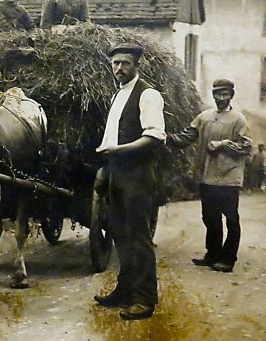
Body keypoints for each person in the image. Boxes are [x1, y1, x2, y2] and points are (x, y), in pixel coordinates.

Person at [93, 44, 165, 321]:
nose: (119, 68)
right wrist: (105, 168)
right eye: (115, 64)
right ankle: (124, 291)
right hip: (116, 173)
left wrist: (119, 152)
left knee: (138, 238)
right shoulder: (118, 95)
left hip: (137, 176)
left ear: (137, 65)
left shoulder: (148, 95)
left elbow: (155, 137)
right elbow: (112, 135)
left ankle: (145, 299)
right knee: (119, 234)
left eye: (125, 63)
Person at [167, 79, 252, 273]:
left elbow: (246, 146)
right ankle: (212, 254)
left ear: (232, 95)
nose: (221, 98)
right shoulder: (204, 117)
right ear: (213, 95)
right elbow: (187, 136)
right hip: (207, 175)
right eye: (218, 94)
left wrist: (224, 144)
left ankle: (228, 258)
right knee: (210, 217)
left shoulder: (238, 119)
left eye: (225, 94)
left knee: (231, 218)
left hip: (229, 178)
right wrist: (165, 138)